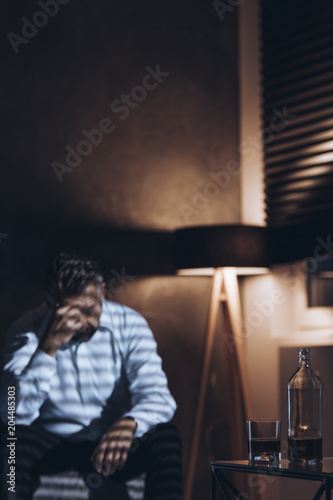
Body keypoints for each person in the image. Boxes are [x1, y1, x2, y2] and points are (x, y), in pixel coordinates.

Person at [0, 252, 182, 500]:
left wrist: (130, 422)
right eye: (66, 310)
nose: (80, 322)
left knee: (166, 437)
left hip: (114, 447)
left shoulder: (130, 324)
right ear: (49, 300)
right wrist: (48, 346)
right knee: (11, 439)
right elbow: (14, 413)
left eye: (88, 310)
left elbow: (158, 396)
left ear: (102, 292)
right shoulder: (25, 330)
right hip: (55, 444)